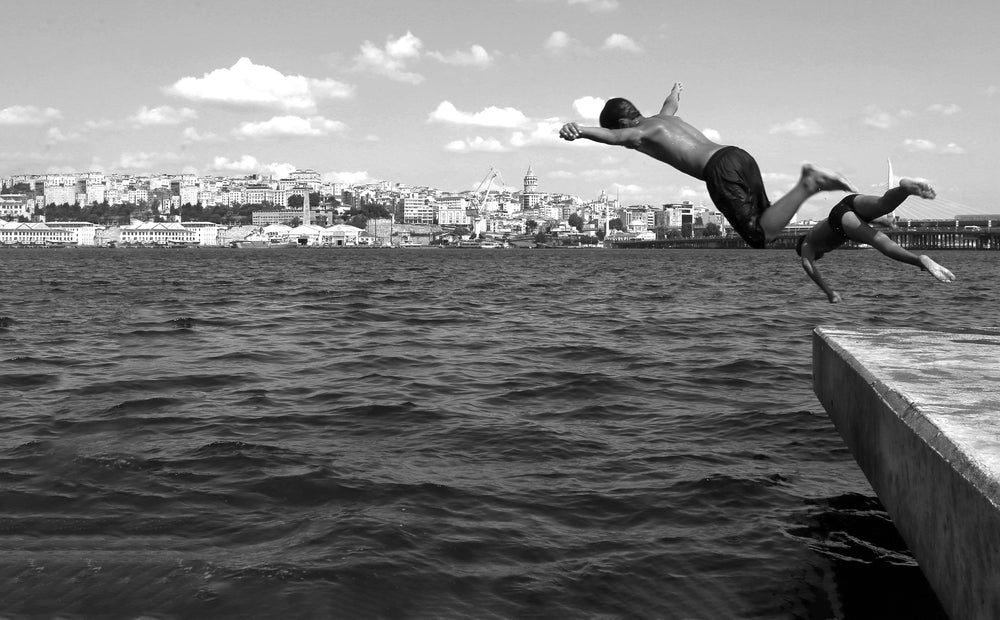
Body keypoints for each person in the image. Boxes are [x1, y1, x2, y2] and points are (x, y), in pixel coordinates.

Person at [558, 82, 858, 248]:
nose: (626, 139)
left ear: (624, 122)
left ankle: (808, 184)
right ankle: (823, 210)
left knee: (759, 236)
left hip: (718, 170)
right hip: (738, 155)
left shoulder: (639, 133)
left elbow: (612, 136)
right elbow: (671, 103)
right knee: (768, 222)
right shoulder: (665, 118)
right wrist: (675, 91)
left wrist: (579, 129)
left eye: (623, 130)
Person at [796, 179, 956, 303]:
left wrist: (829, 292)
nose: (818, 257)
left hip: (838, 221)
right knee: (883, 204)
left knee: (879, 240)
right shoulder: (815, 231)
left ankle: (919, 260)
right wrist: (881, 221)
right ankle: (905, 189)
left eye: (817, 257)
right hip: (847, 203)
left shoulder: (807, 244)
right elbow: (850, 217)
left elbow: (807, 265)